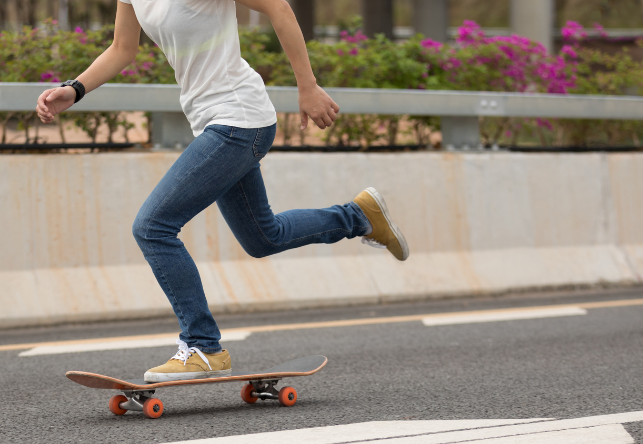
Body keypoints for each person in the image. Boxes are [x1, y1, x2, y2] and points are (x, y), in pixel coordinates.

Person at [36, 0, 409, 382]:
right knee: (264, 237)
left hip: (239, 121)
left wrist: (307, 86)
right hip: (214, 123)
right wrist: (75, 89)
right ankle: (359, 216)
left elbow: (278, 7)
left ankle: (203, 346)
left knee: (153, 227)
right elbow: (122, 49)